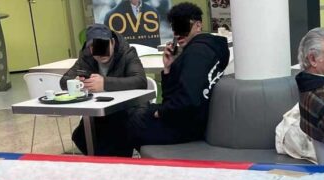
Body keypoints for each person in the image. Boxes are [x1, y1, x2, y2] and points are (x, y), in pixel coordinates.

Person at [126, 2, 230, 149]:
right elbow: (174, 96)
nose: (177, 34)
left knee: (126, 122)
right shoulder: (208, 49)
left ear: (198, 25)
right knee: (133, 114)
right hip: (189, 120)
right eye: (175, 28)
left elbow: (188, 100)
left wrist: (160, 112)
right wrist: (169, 68)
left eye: (182, 26)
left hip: (186, 126)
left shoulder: (197, 54)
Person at [60, 24, 147, 157]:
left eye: (104, 46)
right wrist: (76, 81)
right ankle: (103, 162)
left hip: (128, 108)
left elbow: (140, 81)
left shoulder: (127, 53)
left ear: (112, 42)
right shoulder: (86, 57)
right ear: (89, 48)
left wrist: (105, 83)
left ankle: (110, 163)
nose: (100, 53)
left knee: (114, 134)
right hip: (99, 109)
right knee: (80, 136)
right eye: (95, 47)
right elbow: (64, 80)